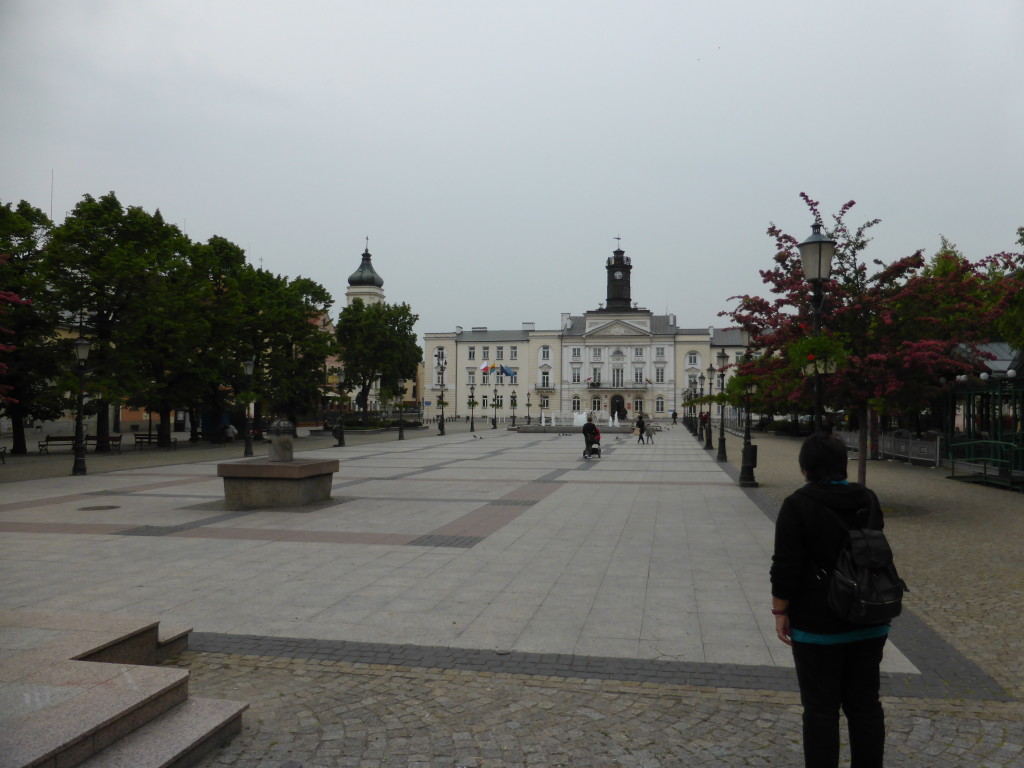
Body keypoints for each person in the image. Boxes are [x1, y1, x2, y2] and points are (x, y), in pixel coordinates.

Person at [770, 434, 890, 768]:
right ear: (842, 464)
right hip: (868, 617)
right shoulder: (867, 498)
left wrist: (780, 610)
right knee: (865, 704)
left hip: (817, 623)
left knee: (821, 709)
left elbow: (786, 567)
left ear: (805, 467)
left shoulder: (797, 504)